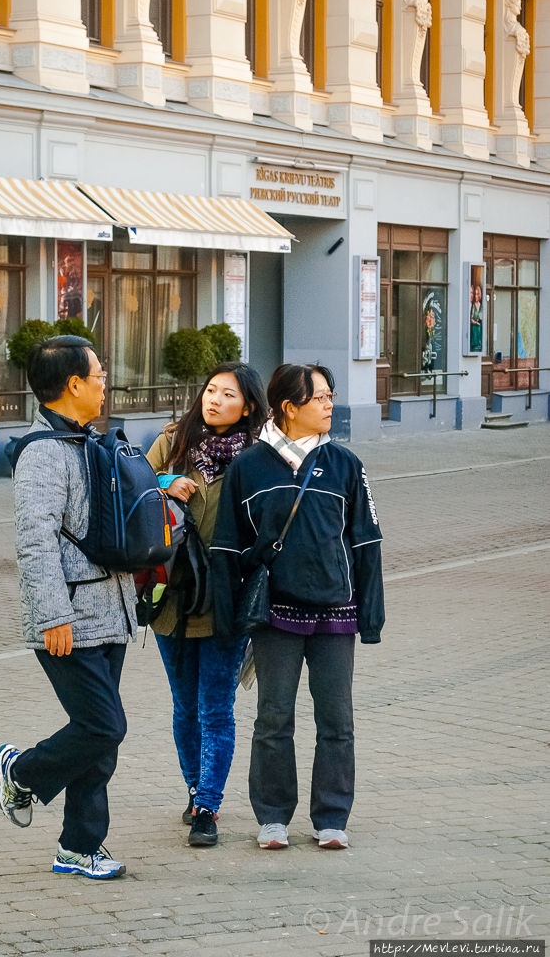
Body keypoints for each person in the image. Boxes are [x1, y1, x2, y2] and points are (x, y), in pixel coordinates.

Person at [211, 363, 385, 851]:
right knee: (273, 718)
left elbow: (367, 541)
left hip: (336, 612)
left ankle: (331, 817)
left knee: (337, 721)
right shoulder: (248, 466)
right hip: (275, 615)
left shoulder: (346, 465)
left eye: (331, 396)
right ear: (289, 407)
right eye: (320, 398)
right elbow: (226, 547)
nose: (330, 405)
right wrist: (226, 619)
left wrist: (371, 614)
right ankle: (272, 817)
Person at [0, 335, 137, 880]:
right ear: (73, 384)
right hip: (69, 619)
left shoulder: (89, 443)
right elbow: (35, 539)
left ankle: (78, 847)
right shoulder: (42, 453)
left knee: (98, 743)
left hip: (111, 612)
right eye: (99, 376)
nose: (105, 385)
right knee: (104, 726)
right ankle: (21, 773)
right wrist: (53, 615)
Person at [146, 362, 268, 846]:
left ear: (249, 407)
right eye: (210, 390)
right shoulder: (172, 440)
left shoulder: (258, 457)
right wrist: (162, 485)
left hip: (226, 596)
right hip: (172, 594)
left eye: (228, 394)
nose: (214, 400)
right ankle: (195, 786)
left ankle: (207, 807)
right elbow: (130, 492)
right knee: (183, 706)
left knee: (215, 708)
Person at [470, 282, 483, 353]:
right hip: (474, 330)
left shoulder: (482, 306)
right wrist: (475, 322)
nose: (476, 296)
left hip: (479, 330)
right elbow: (470, 318)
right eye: (475, 294)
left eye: (477, 294)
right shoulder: (473, 306)